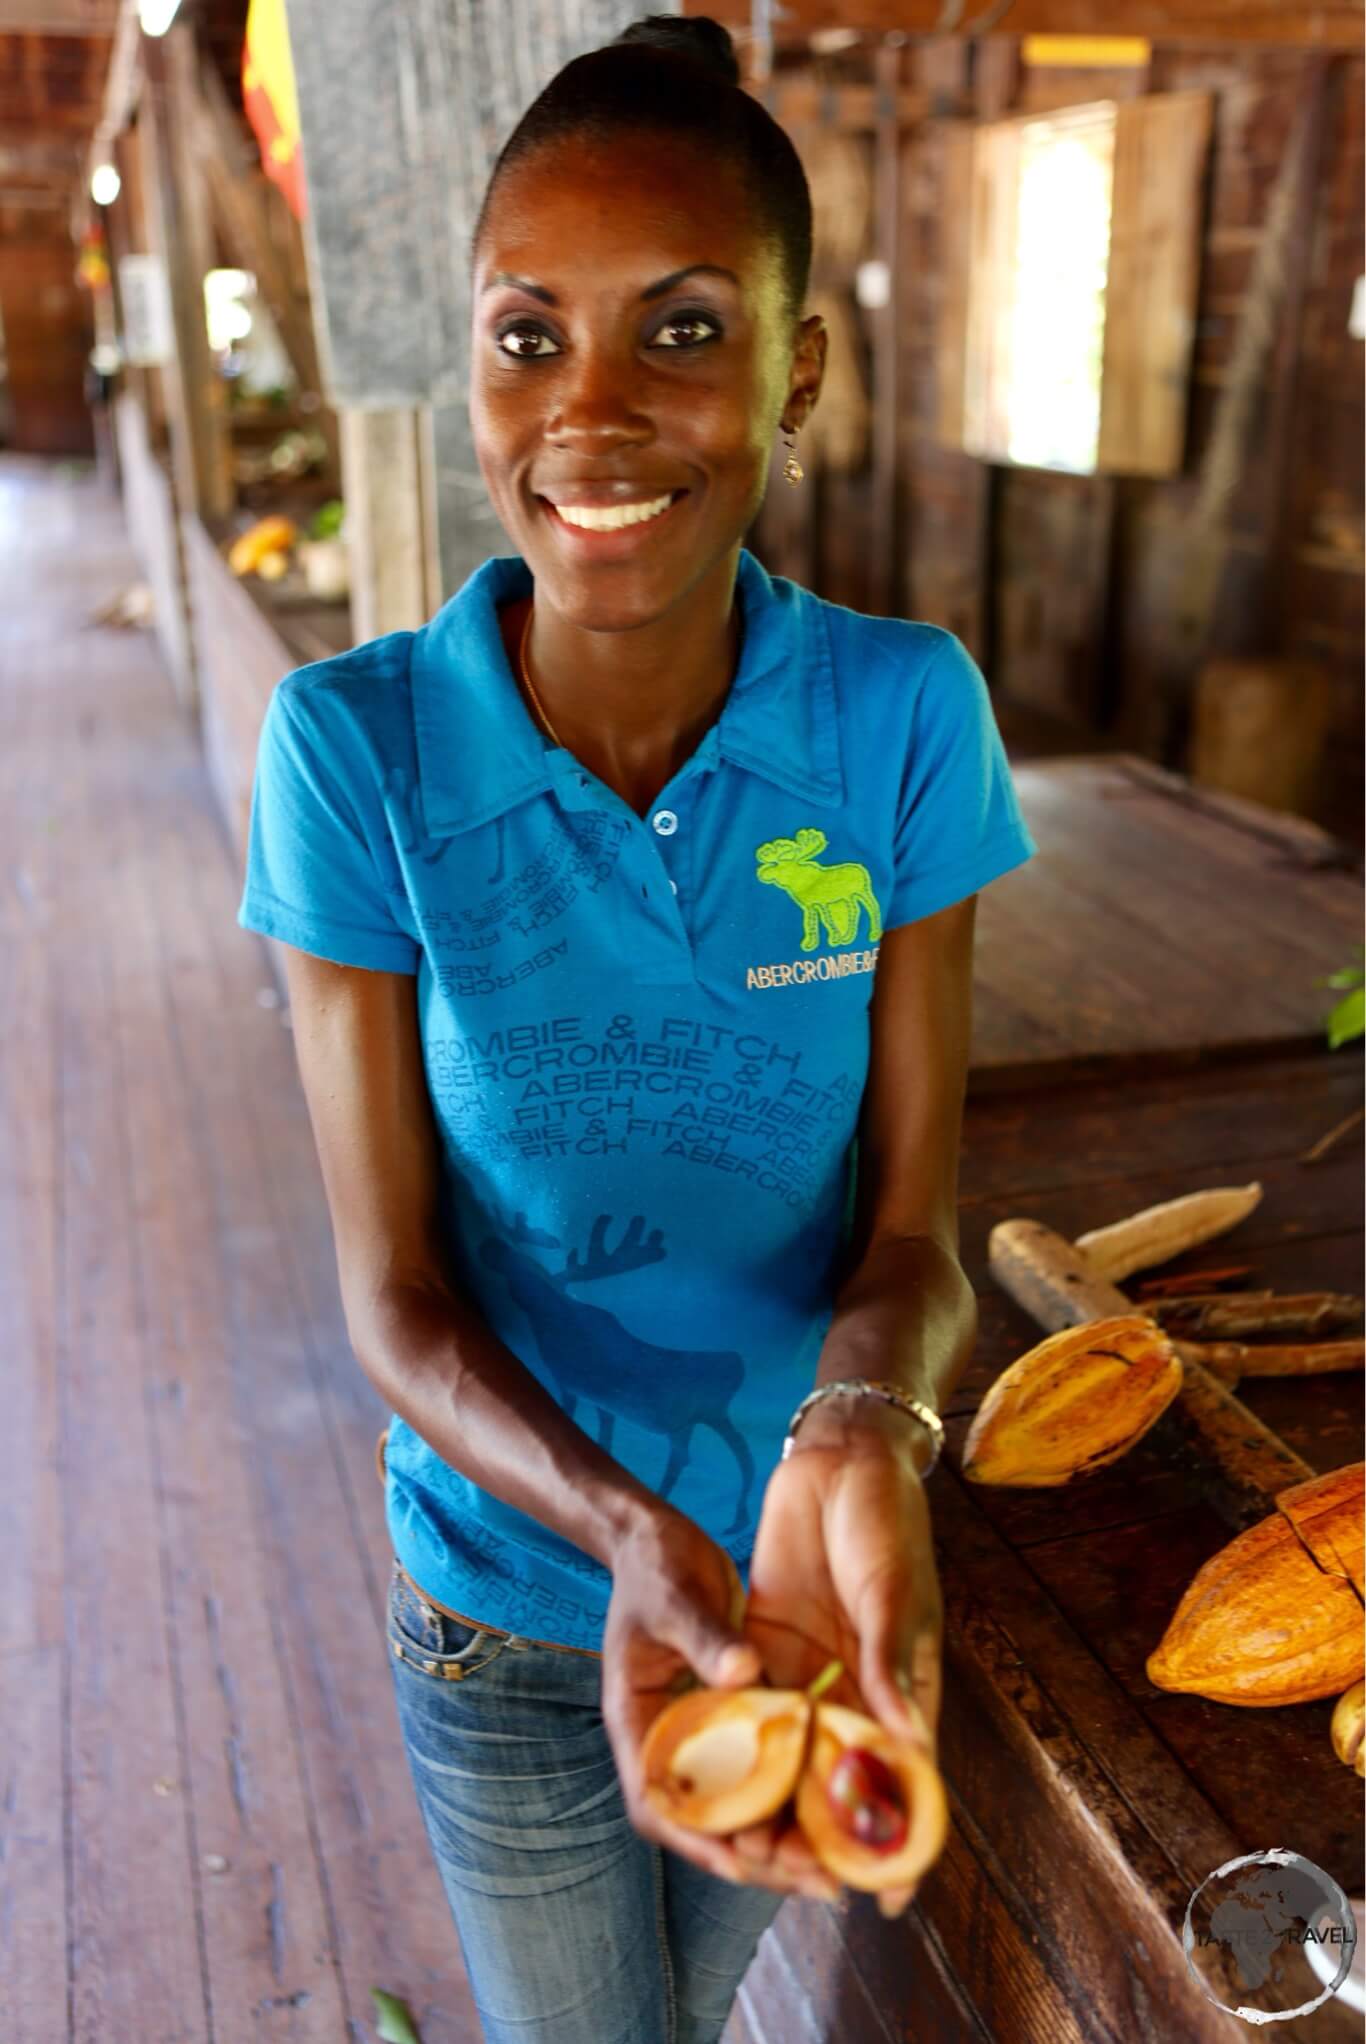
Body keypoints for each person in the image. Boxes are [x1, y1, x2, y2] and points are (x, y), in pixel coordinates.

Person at [236, 16, 1038, 2043]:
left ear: (793, 373)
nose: (587, 413)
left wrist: (853, 1433)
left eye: (680, 333)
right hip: (505, 1606)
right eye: (528, 337)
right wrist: (616, 1531)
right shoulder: (359, 753)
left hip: (800, 1597)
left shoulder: (895, 715)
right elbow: (394, 1299)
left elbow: (909, 1232)